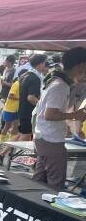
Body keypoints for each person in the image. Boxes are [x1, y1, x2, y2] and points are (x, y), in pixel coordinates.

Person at [33, 48, 86, 190]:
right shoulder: (60, 86)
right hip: (51, 140)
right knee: (56, 184)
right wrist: (74, 116)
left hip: (45, 137)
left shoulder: (58, 81)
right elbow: (49, 115)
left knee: (39, 179)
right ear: (81, 65)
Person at [0, 55, 48, 164]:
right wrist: (42, 106)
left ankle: (2, 154)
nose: (45, 65)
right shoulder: (35, 78)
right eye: (44, 63)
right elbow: (31, 97)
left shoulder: (25, 75)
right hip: (29, 111)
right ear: (41, 63)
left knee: (20, 134)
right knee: (25, 136)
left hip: (21, 109)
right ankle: (15, 158)